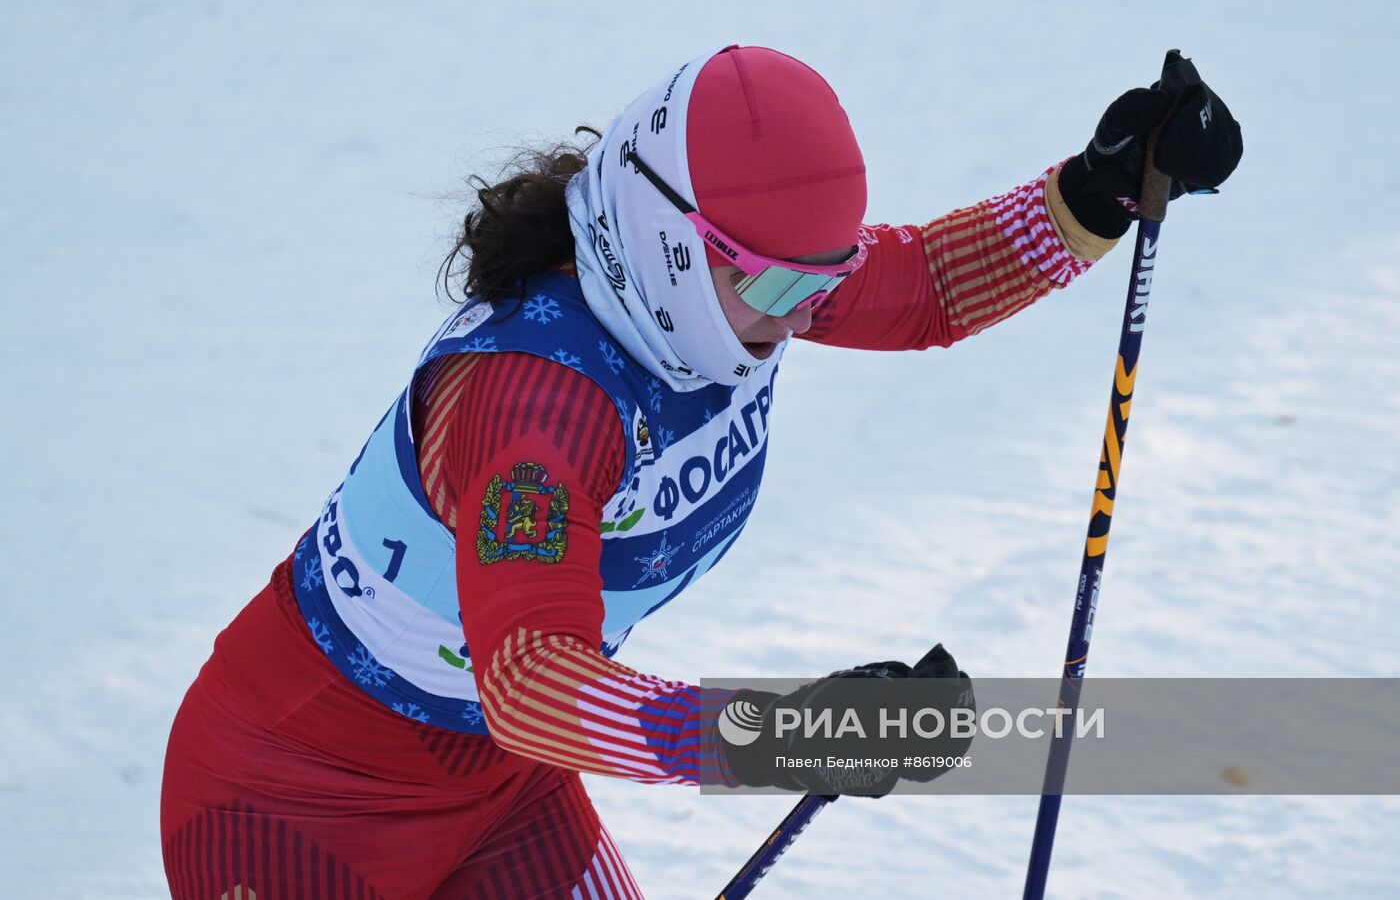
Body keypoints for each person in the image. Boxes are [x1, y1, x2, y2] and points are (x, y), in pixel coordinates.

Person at [160, 45, 1241, 898]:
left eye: (822, 281)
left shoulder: (736, 296)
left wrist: (1097, 193)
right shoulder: (532, 408)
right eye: (779, 290)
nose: (804, 316)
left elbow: (923, 289)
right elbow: (531, 685)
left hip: (499, 796)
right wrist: (780, 733)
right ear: (667, 244)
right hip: (295, 812)